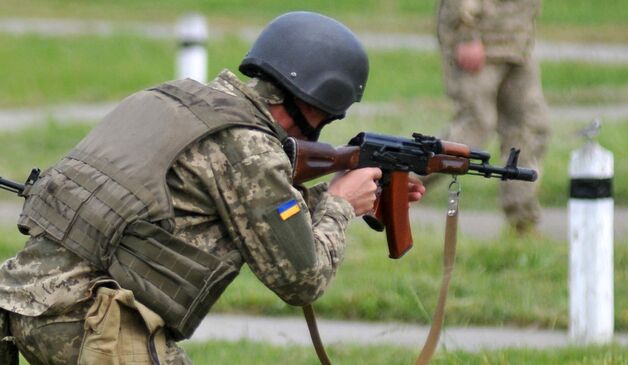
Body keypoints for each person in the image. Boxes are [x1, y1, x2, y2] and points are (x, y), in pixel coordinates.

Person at [0, 11, 425, 364]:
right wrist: (338, 206)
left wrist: (329, 198)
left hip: (22, 301)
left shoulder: (174, 98)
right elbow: (303, 281)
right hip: (87, 322)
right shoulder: (251, 151)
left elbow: (223, 204)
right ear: (324, 102)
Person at [432, 0, 550, 234]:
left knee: (530, 127)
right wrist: (465, 34)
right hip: (480, 39)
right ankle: (400, 183)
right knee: (473, 132)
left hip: (517, 42)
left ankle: (522, 222)